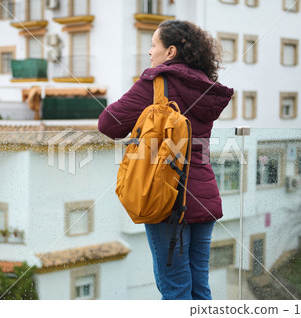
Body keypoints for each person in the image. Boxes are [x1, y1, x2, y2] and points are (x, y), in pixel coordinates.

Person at [98, 19, 233, 300]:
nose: (149, 53)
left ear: (170, 52)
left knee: (174, 289)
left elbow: (108, 124)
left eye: (153, 45)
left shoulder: (157, 83)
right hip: (204, 196)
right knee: (199, 286)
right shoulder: (205, 86)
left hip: (167, 197)